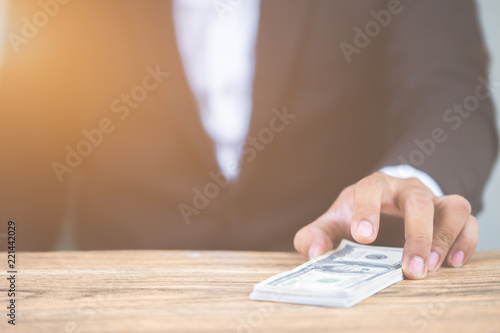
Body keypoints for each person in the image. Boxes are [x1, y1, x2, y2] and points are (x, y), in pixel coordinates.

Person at [0, 0, 497, 281]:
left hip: (337, 291)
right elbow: (20, 162)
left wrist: (409, 183)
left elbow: (449, 93)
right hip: (117, 300)